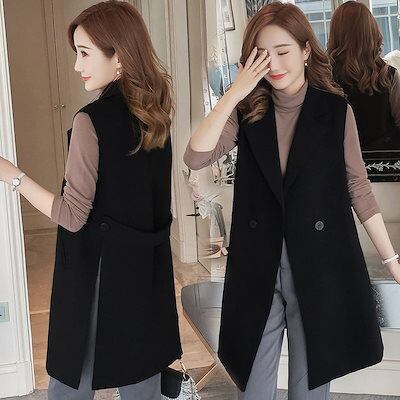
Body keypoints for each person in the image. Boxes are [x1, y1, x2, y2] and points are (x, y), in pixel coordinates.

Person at [184, 2, 400, 399]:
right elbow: (195, 156)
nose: (274, 64)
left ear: (305, 50)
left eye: (283, 51)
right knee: (254, 388)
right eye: (262, 55)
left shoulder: (335, 111)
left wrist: (392, 261)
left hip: (318, 267)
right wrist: (235, 92)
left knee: (309, 389)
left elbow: (359, 189)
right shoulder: (248, 110)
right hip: (258, 266)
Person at [0, 1, 182, 399]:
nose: (76, 65)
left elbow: (72, 216)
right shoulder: (156, 115)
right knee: (141, 372)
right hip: (145, 267)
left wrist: (13, 175)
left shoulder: (90, 121)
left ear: (119, 56)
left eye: (84, 53)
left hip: (97, 271)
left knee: (72, 378)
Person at [327, 0, 400, 151]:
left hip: (339, 161)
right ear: (372, 32)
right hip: (385, 160)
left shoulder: (323, 77)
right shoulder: (389, 75)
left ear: (335, 34)